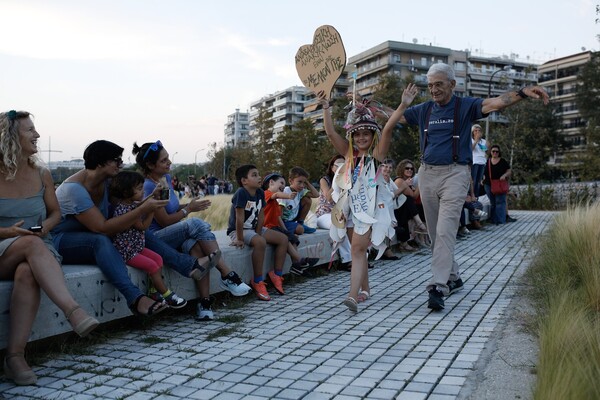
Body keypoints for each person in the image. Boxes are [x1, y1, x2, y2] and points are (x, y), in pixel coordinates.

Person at [384, 63, 549, 311]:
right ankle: (454, 277)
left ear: (452, 84)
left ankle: (438, 286)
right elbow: (393, 116)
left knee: (446, 229)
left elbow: (496, 103)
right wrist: (367, 107)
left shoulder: (465, 106)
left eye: (439, 84)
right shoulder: (424, 109)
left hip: (455, 173)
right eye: (430, 85)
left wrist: (524, 92)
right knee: (435, 231)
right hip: (427, 173)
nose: (434, 90)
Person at [52, 140, 213, 319]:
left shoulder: (108, 182)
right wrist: (143, 209)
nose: (121, 164)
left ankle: (188, 266)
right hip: (63, 240)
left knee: (139, 231)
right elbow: (102, 228)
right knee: (100, 241)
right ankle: (135, 298)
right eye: (116, 160)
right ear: (99, 163)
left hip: (95, 234)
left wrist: (150, 199)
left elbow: (126, 208)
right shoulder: (74, 190)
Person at [0, 110, 99, 386]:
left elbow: (55, 213)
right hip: (1, 250)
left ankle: (15, 357)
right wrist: (7, 232)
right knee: (30, 245)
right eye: (29, 130)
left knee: (27, 272)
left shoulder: (42, 174)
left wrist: (46, 226)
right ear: (9, 137)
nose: (37, 135)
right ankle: (73, 311)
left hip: (36, 248)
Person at [134, 141, 251, 321]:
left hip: (172, 236)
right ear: (150, 165)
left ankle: (204, 304)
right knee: (195, 223)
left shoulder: (164, 180)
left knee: (196, 247)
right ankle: (227, 274)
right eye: (164, 160)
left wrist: (188, 205)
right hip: (156, 239)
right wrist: (189, 210)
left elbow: (170, 208)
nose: (169, 163)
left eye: (168, 158)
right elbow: (164, 221)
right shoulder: (150, 187)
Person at [319, 85, 410, 312]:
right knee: (358, 250)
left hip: (370, 211)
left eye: (366, 134)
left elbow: (388, 127)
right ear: (352, 136)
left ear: (372, 136)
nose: (361, 137)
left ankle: (351, 295)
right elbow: (330, 133)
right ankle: (365, 290)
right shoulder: (349, 155)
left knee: (358, 250)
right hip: (349, 209)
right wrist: (326, 107)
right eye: (357, 134)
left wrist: (403, 105)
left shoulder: (377, 156)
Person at [109, 171, 187, 308]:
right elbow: (143, 227)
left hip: (136, 247)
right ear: (127, 192)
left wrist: (154, 195)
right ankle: (167, 294)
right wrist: (152, 210)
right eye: (139, 189)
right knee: (152, 265)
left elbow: (141, 204)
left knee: (158, 259)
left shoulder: (129, 204)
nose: (143, 191)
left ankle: (153, 291)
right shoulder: (124, 211)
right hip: (127, 252)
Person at [228, 164, 292, 301]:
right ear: (244, 181)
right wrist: (239, 238)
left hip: (254, 228)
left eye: (258, 174)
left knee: (283, 239)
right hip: (239, 230)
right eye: (254, 175)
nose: (259, 177)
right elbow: (239, 219)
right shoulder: (241, 193)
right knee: (260, 242)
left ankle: (276, 274)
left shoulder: (259, 193)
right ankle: (257, 280)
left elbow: (261, 215)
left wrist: (258, 232)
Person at [261, 173, 320, 276]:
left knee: (291, 237)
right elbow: (276, 195)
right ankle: (300, 260)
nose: (284, 186)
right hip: (267, 228)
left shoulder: (274, 202)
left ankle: (296, 266)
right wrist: (288, 196)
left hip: (275, 227)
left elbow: (278, 218)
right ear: (271, 183)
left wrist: (286, 231)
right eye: (281, 183)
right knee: (285, 238)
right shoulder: (266, 194)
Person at [316, 155, 352, 268]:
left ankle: (361, 257)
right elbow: (329, 197)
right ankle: (348, 260)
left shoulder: (349, 180)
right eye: (338, 165)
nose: (341, 168)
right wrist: (337, 180)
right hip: (325, 215)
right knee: (338, 224)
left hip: (342, 214)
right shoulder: (325, 180)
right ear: (332, 167)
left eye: (344, 165)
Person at [393, 159, 428, 251]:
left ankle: (418, 232)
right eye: (407, 168)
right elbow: (413, 195)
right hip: (395, 210)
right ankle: (419, 224)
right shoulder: (400, 180)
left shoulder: (408, 181)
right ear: (402, 169)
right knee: (409, 200)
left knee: (420, 206)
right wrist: (421, 182)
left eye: (412, 169)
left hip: (404, 210)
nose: (410, 170)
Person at [278, 167, 319, 235]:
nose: (302, 186)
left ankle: (300, 223)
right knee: (300, 230)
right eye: (299, 182)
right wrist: (282, 228)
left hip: (293, 218)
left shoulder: (300, 191)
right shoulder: (285, 192)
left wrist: (307, 183)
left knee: (307, 200)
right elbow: (279, 212)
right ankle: (296, 227)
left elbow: (316, 195)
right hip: (284, 221)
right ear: (291, 181)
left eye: (304, 183)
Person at [483, 144, 512, 225]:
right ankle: (494, 220)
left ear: (499, 152)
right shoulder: (487, 161)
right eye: (493, 151)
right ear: (491, 152)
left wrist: (504, 175)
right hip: (488, 184)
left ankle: (501, 220)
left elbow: (509, 171)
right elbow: (484, 172)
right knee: (493, 203)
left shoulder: (502, 161)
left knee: (500, 202)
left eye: (497, 151)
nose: (495, 153)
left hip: (500, 184)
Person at [471, 124, 487, 197]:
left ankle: (476, 196)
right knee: (473, 180)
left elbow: (486, 151)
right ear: (473, 132)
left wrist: (487, 147)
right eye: (475, 131)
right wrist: (476, 141)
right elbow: (471, 149)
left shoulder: (484, 141)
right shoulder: (470, 140)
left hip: (482, 162)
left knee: (479, 181)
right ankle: (472, 195)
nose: (477, 132)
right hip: (474, 162)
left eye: (479, 130)